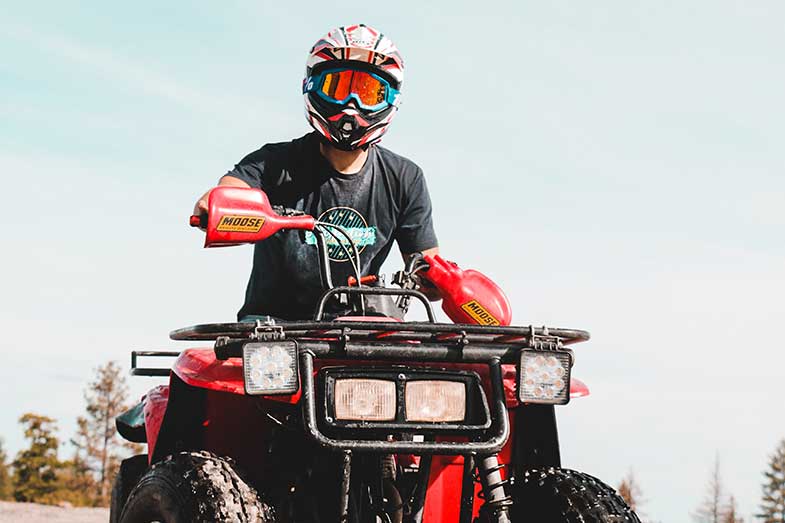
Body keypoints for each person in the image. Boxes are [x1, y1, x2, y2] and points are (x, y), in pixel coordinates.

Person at [194, 24, 439, 321]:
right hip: (274, 329)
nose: (352, 105)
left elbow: (428, 268)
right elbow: (228, 192)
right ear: (312, 86)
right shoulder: (275, 162)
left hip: (360, 330)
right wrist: (218, 204)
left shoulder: (405, 178)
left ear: (391, 99)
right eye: (337, 87)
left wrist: (450, 283)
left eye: (368, 93)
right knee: (221, 366)